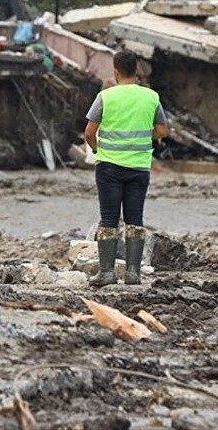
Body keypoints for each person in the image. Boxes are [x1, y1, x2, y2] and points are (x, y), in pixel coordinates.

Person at [82, 50, 170, 287]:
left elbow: (89, 132)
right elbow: (162, 131)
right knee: (135, 219)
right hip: (139, 167)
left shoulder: (106, 97)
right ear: (137, 71)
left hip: (109, 166)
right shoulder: (151, 97)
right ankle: (133, 273)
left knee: (109, 219)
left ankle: (107, 272)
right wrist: (145, 140)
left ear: (115, 71)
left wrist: (98, 150)